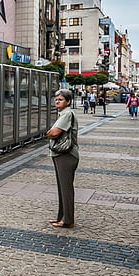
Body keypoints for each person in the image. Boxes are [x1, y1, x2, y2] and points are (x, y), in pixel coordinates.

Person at [47, 90, 79, 229]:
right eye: (56, 99)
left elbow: (54, 133)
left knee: (66, 188)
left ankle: (68, 220)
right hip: (61, 154)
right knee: (62, 188)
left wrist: (49, 132)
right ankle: (61, 217)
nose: (57, 101)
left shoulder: (67, 114)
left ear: (68, 101)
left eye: (60, 99)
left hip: (66, 154)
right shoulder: (63, 114)